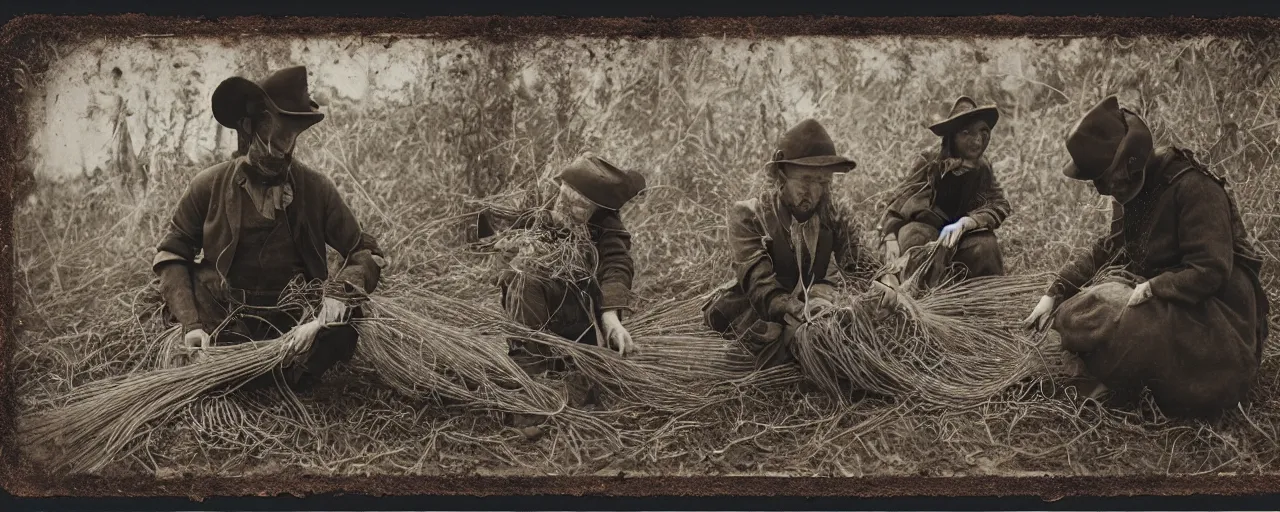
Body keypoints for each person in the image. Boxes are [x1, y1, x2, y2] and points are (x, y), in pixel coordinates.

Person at [1022, 95, 1270, 418]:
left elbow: (1210, 271)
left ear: (1131, 162)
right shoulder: (1132, 190)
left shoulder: (1194, 188)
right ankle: (1123, 372)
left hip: (1216, 322)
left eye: (1109, 179)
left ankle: (1119, 380)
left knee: (1129, 328)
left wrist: (1154, 287)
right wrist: (1055, 293)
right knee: (1073, 315)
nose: (1109, 190)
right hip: (1167, 305)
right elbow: (1108, 249)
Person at [153, 66, 385, 391]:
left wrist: (340, 293)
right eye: (273, 137)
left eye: (290, 139)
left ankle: (291, 371)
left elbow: (365, 251)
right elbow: (172, 255)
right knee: (211, 361)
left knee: (346, 321)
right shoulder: (208, 185)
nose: (282, 150)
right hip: (225, 318)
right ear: (248, 127)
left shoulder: (316, 188)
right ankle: (236, 368)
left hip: (293, 322)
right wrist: (191, 325)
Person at [702, 119, 866, 371]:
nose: (813, 193)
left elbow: (859, 263)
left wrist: (886, 285)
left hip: (810, 309)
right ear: (781, 176)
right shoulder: (749, 215)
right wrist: (796, 309)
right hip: (756, 311)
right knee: (755, 354)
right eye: (805, 181)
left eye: (823, 183)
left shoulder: (833, 213)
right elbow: (760, 283)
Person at [478, 155, 646, 359]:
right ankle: (531, 364)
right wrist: (509, 259)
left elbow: (617, 264)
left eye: (578, 205)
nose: (564, 208)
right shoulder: (538, 218)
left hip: (580, 321)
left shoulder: (605, 227)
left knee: (527, 283)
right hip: (535, 313)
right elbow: (501, 273)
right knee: (523, 279)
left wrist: (609, 315)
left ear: (596, 211)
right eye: (563, 197)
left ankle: (545, 365)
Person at [877, 96, 1011, 293]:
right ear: (952, 137)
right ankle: (914, 299)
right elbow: (901, 199)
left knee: (986, 245)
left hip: (960, 238)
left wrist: (967, 223)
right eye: (967, 133)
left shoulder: (982, 169)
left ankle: (978, 302)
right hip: (926, 232)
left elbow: (999, 204)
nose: (977, 141)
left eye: (981, 133)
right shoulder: (930, 162)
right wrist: (889, 235)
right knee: (914, 237)